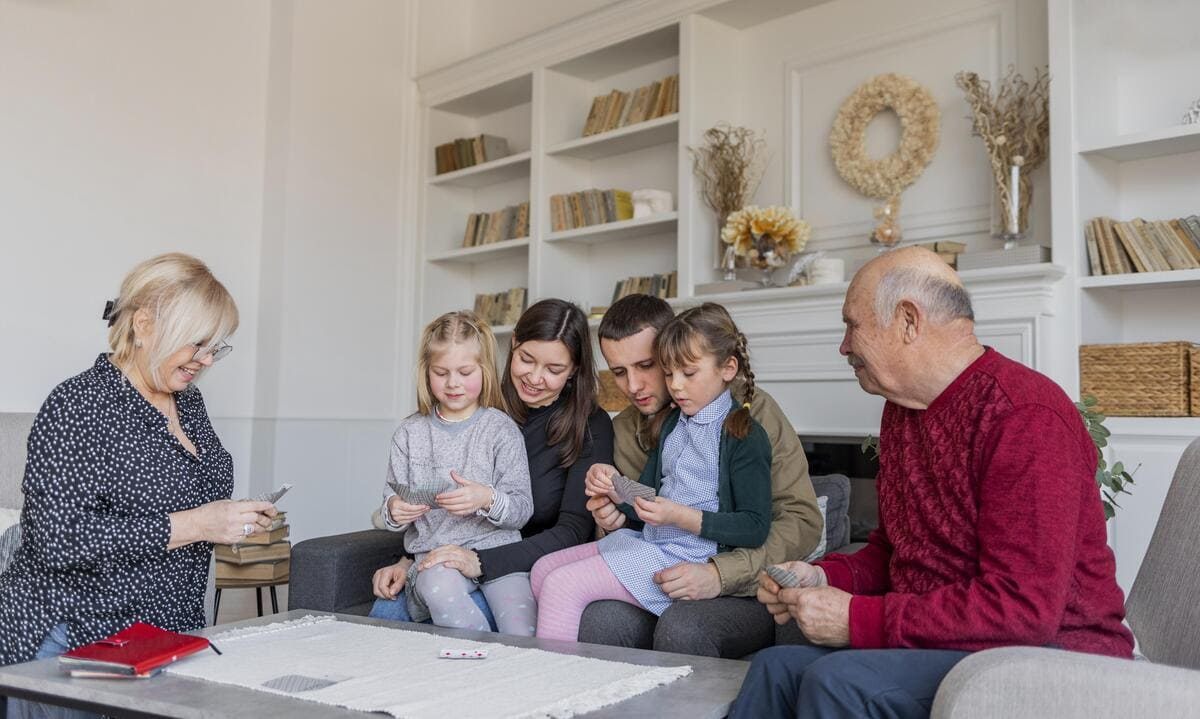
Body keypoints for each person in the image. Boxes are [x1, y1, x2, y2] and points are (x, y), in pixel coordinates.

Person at [730, 247, 1134, 719]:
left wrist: (856, 619)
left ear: (907, 321)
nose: (844, 346)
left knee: (839, 682)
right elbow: (896, 550)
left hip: (1055, 657)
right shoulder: (903, 412)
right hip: (952, 646)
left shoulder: (1024, 417)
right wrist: (821, 576)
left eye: (852, 325)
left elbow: (1023, 610)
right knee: (776, 667)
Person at [0, 253, 277, 718]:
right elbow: (55, 539)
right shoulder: (79, 405)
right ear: (144, 325)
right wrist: (195, 524)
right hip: (76, 638)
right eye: (198, 344)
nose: (208, 360)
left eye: (217, 347)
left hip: (166, 635)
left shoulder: (188, 403)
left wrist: (231, 518)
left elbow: (188, 497)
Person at [578, 294, 823, 657]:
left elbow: (800, 520)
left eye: (646, 365)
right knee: (600, 618)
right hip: (660, 570)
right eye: (618, 372)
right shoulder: (627, 426)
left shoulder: (748, 414)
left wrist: (719, 574)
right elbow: (642, 521)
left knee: (685, 626)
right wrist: (611, 518)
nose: (633, 387)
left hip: (743, 582)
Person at [531, 303, 772, 642]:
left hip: (688, 557)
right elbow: (647, 498)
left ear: (728, 368)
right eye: (670, 373)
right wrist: (615, 486)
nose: (675, 386)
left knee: (562, 585)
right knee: (543, 569)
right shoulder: (674, 422)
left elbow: (755, 525)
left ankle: (548, 686)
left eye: (687, 374)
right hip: (651, 544)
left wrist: (681, 515)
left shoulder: (743, 435)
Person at [370, 299, 613, 623]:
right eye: (526, 359)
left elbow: (572, 531)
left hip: (514, 564)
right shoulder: (472, 400)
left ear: (574, 370)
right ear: (513, 344)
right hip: (446, 561)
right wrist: (407, 561)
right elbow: (428, 505)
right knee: (387, 608)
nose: (535, 378)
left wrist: (480, 561)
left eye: (554, 369)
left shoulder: (588, 425)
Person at [371, 311, 535, 635]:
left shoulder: (501, 430)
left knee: (520, 626)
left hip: (497, 554)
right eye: (441, 372)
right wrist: (394, 509)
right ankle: (475, 673)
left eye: (465, 371)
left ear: (485, 370)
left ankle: (518, 681)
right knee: (439, 590)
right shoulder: (409, 433)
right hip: (435, 559)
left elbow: (522, 510)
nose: (453, 383)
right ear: (426, 373)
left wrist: (485, 498)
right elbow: (391, 505)